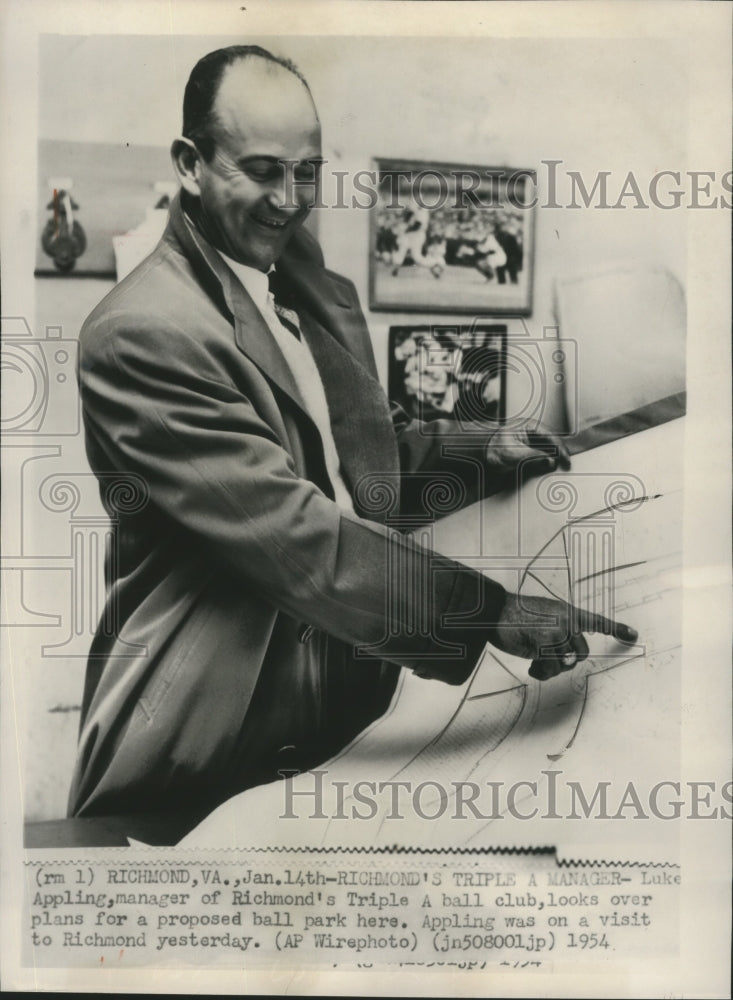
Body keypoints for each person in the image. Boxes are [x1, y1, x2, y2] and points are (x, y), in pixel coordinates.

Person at [68, 45, 637, 823]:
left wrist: (476, 449)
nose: (290, 198)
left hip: (345, 692)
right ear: (190, 164)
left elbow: (349, 463)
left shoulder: (294, 278)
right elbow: (290, 533)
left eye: (307, 171)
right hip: (210, 728)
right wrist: (489, 612)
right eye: (262, 170)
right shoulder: (142, 332)